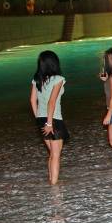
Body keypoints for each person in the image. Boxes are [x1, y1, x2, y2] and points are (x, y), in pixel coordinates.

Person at [30, 50, 69, 185]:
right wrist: (49, 123)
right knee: (56, 155)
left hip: (41, 119)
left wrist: (39, 119)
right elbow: (52, 102)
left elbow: (32, 100)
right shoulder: (58, 79)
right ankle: (54, 186)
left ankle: (51, 181)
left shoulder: (36, 80)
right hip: (53, 120)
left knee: (52, 153)